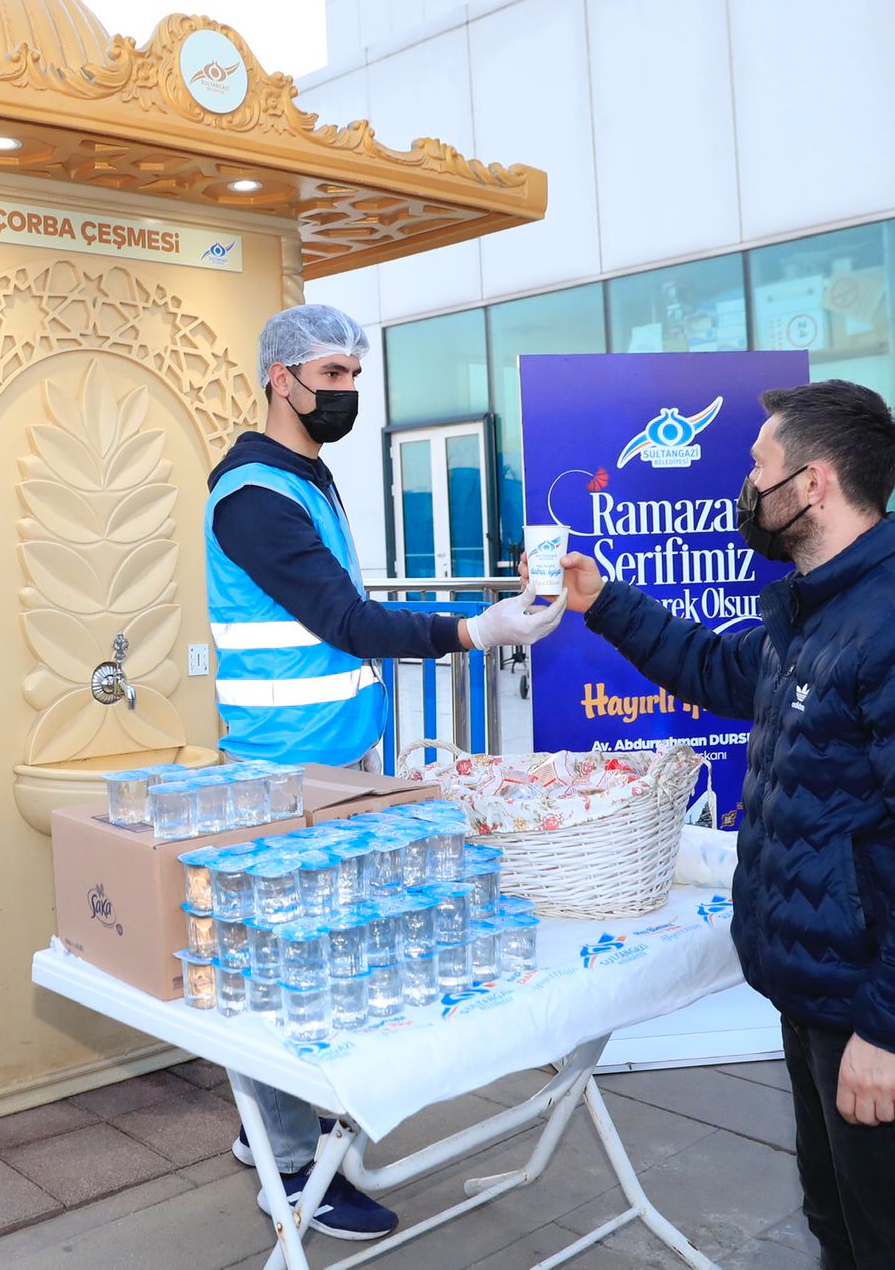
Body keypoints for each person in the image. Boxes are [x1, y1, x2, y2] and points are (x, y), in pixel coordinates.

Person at [555, 379, 895, 1270]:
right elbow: (714, 670)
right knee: (841, 1228)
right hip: (819, 993)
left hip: (879, 1011)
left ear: (810, 484)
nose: (746, 484)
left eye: (758, 466)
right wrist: (603, 600)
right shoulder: (813, 606)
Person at [204, 303, 566, 1240]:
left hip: (331, 761)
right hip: (283, 774)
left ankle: (272, 1130)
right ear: (280, 379)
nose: (348, 393)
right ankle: (289, 1169)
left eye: (355, 377)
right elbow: (347, 620)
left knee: (312, 954)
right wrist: (472, 631)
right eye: (332, 377)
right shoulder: (254, 496)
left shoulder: (302, 476)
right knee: (284, 968)